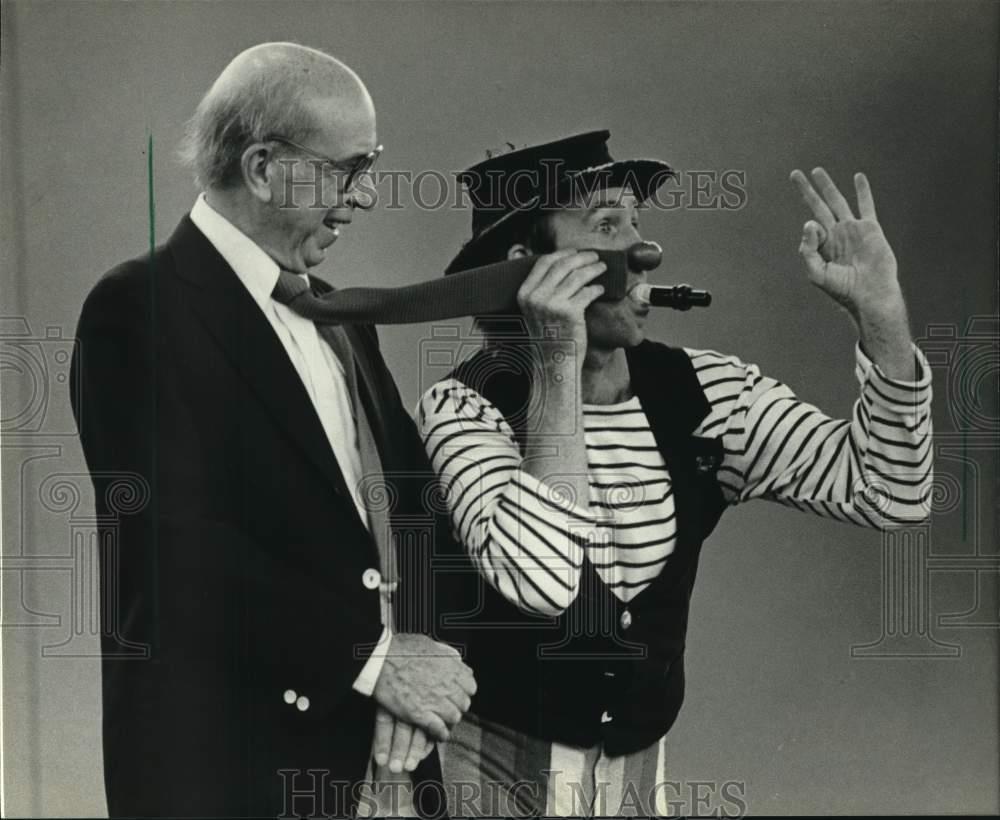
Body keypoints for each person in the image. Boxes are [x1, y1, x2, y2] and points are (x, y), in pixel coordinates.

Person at [416, 131, 933, 817]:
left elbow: (893, 491)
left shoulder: (708, 398)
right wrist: (556, 361)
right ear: (523, 270)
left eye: (638, 222)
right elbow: (542, 581)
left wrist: (883, 319)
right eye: (606, 224)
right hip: (483, 785)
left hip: (635, 786)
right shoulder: (461, 412)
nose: (643, 250)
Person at [70, 42, 474, 818]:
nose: (361, 197)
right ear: (261, 168)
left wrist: (416, 670)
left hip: (381, 764)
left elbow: (407, 517)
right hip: (231, 776)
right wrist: (376, 658)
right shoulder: (136, 307)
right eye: (347, 169)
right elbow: (172, 554)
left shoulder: (338, 318)